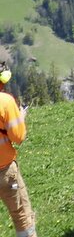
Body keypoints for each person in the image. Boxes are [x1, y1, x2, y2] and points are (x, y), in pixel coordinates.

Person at [0, 66, 35, 237]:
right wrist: (20, 118)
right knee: (21, 215)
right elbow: (18, 137)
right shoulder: (5, 101)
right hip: (4, 170)